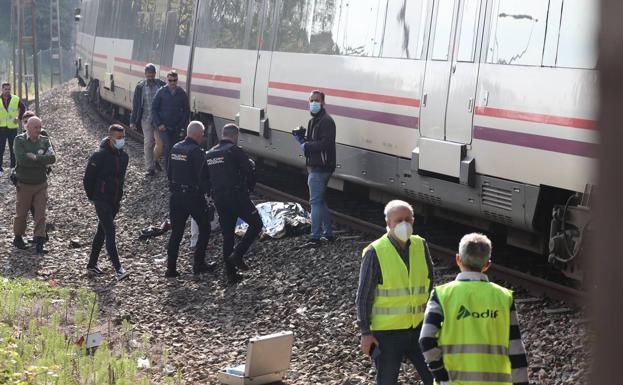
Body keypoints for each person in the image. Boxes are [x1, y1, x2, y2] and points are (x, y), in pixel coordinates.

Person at [419, 233, 529, 385]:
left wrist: (441, 375)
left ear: (458, 259)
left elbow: (426, 340)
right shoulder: (504, 297)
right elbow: (516, 349)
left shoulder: (442, 294)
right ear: (487, 264)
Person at [356, 200, 434, 385]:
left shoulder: (421, 245)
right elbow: (364, 297)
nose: (404, 224)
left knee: (436, 378)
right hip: (386, 335)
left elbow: (430, 283)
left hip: (419, 329)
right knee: (387, 380)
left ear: (413, 221)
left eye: (408, 219)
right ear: (388, 224)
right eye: (399, 220)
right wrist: (366, 333)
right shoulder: (375, 252)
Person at [206, 123, 263, 284]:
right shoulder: (233, 151)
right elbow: (249, 171)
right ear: (235, 136)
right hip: (237, 196)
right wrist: (249, 188)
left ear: (222, 135)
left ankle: (231, 274)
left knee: (228, 234)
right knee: (257, 223)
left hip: (219, 198)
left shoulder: (210, 153)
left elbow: (204, 177)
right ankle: (238, 254)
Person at [165, 121, 215, 278]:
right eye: (202, 135)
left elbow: (169, 172)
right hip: (193, 197)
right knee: (205, 229)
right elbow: (203, 178)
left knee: (176, 233)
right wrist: (210, 193)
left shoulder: (175, 148)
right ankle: (198, 265)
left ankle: (171, 269)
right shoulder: (196, 152)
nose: (203, 137)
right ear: (198, 134)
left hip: (176, 196)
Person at [83, 124, 130, 281]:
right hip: (101, 199)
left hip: (114, 201)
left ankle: (92, 265)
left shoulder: (124, 157)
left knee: (101, 231)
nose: (122, 141)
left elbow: (120, 180)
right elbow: (88, 178)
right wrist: (92, 197)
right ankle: (119, 269)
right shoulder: (99, 155)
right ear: (110, 138)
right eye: (119, 138)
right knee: (110, 231)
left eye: (123, 138)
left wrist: (118, 198)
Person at [292, 90, 336, 248]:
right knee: (320, 201)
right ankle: (329, 234)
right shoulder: (314, 121)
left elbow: (326, 144)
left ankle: (315, 237)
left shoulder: (326, 121)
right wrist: (302, 140)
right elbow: (313, 143)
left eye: (317, 100)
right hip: (316, 165)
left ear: (323, 103)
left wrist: (306, 145)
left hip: (321, 167)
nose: (314, 103)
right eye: (311, 100)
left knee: (315, 202)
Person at [12, 116, 55, 254]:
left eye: (40, 127)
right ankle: (18, 237)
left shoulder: (44, 140)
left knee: (40, 213)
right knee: (22, 213)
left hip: (41, 183)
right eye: (35, 127)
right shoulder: (19, 140)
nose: (38, 130)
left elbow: (52, 158)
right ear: (27, 128)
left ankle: (40, 241)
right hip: (24, 184)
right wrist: (41, 161)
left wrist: (36, 157)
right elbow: (22, 160)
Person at [130, 63, 166, 176]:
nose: (150, 77)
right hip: (146, 118)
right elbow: (136, 105)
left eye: (152, 75)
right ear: (145, 74)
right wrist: (132, 121)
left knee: (161, 143)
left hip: (158, 119)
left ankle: (154, 160)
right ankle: (150, 168)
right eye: (148, 75)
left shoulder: (161, 85)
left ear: (155, 74)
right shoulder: (140, 87)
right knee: (149, 142)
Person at [151, 70, 189, 172]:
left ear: (177, 81)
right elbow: (154, 108)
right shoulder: (161, 92)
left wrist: (182, 125)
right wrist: (159, 124)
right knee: (167, 145)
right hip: (163, 127)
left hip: (176, 126)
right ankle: (168, 171)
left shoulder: (182, 93)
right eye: (170, 80)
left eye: (174, 80)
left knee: (175, 147)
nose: (172, 82)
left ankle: (174, 169)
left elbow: (186, 110)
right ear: (167, 80)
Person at [0, 82, 26, 177]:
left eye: (9, 89)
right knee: (0, 148)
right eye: (5, 89)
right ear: (2, 89)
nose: (7, 91)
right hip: (1, 128)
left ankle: (13, 167)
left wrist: (19, 118)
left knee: (13, 148)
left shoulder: (15, 99)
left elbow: (23, 108)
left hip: (12, 128)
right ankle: (0, 169)